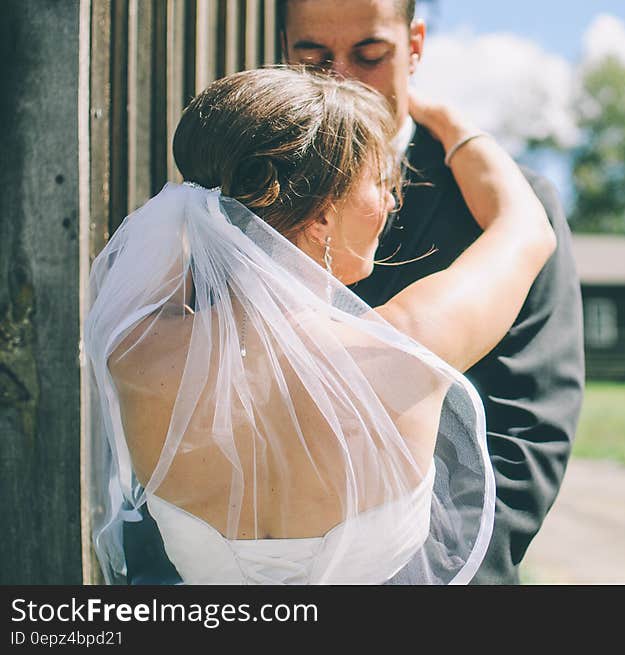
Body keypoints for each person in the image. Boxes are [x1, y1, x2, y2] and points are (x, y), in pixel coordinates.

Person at [85, 67, 556, 584]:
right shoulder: (407, 346)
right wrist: (447, 121)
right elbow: (527, 228)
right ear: (324, 216)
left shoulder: (136, 351)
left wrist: (207, 203)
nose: (392, 201)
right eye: (380, 182)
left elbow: (177, 241)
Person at [278, 0, 586, 584]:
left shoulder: (506, 204)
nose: (342, 79)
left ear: (414, 46)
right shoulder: (247, 198)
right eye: (313, 58)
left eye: (370, 55)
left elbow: (528, 429)